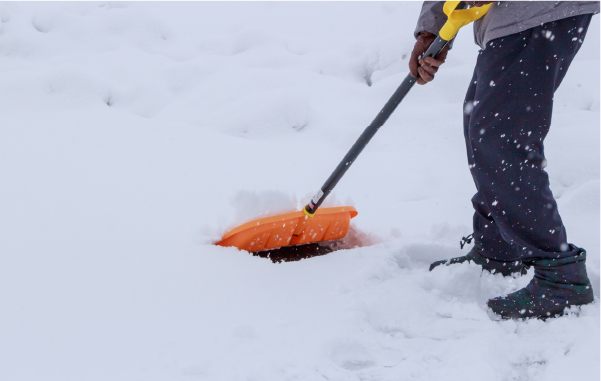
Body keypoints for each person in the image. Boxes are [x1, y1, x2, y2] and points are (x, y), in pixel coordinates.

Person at [411, 1, 599, 319]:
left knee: (502, 139)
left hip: (540, 12)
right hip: (507, 19)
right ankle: (500, 246)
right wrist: (432, 27)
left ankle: (560, 276)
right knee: (481, 129)